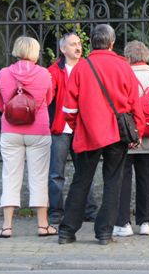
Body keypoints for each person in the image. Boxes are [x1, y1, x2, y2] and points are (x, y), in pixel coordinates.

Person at [58, 24, 146, 245]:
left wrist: (77, 125)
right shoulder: (123, 66)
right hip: (116, 132)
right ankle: (104, 232)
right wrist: (139, 130)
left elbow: (69, 108)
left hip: (88, 131)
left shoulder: (81, 67)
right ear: (112, 43)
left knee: (81, 180)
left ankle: (67, 231)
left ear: (92, 42)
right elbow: (135, 102)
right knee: (113, 181)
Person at [0, 36, 55, 238]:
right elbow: (48, 99)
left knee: (10, 176)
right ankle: (43, 225)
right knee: (39, 177)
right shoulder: (45, 74)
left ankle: (7, 227)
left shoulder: (3, 73)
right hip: (38, 130)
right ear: (35, 52)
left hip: (10, 131)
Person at [113, 40, 149, 237]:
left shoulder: (124, 75)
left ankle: (123, 223)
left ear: (128, 57)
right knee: (146, 178)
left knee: (123, 178)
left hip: (127, 135)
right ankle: (146, 222)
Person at [47, 32, 98, 225]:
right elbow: (48, 97)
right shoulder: (53, 71)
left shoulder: (88, 68)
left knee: (85, 170)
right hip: (60, 128)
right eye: (73, 44)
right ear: (63, 49)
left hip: (82, 127)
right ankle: (56, 212)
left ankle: (89, 209)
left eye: (79, 43)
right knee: (56, 173)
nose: (78, 47)